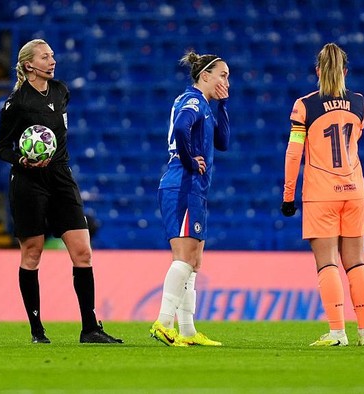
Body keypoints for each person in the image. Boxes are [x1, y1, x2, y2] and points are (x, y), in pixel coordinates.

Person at [0, 38, 122, 344]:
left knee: (82, 251)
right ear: (29, 66)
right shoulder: (17, 103)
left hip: (61, 177)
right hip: (28, 181)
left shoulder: (60, 91)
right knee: (33, 253)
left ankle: (90, 328)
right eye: (45, 56)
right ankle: (37, 330)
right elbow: (2, 149)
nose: (52, 60)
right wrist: (22, 159)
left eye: (52, 55)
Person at [282, 43, 364, 346]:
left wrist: (288, 195)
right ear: (345, 71)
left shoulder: (304, 105)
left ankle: (337, 333)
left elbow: (294, 153)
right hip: (355, 192)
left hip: (322, 193)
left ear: (318, 70)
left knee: (327, 263)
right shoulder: (360, 103)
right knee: (356, 262)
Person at [149, 51, 230, 347]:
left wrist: (223, 104)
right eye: (222, 74)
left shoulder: (206, 105)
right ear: (205, 76)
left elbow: (223, 142)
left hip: (195, 189)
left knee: (193, 262)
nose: (226, 81)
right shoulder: (193, 100)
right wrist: (188, 160)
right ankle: (163, 321)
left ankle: (187, 332)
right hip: (182, 185)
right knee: (184, 259)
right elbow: (182, 128)